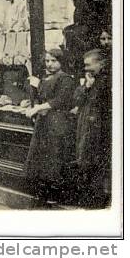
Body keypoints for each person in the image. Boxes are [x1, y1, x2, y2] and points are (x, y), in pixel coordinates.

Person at [24, 51, 76, 204]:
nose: (50, 64)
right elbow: (42, 97)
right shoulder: (46, 78)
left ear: (61, 61)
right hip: (44, 123)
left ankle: (55, 194)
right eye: (47, 61)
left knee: (55, 156)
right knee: (42, 156)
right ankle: (43, 192)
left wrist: (38, 108)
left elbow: (60, 100)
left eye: (53, 61)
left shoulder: (65, 79)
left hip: (57, 122)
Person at [72, 49, 111, 208]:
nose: (86, 68)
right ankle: (88, 198)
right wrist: (87, 86)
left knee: (96, 161)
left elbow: (103, 103)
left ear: (101, 64)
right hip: (86, 124)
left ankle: (97, 200)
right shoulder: (89, 80)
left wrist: (93, 86)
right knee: (84, 158)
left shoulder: (107, 81)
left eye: (89, 64)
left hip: (99, 126)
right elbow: (77, 99)